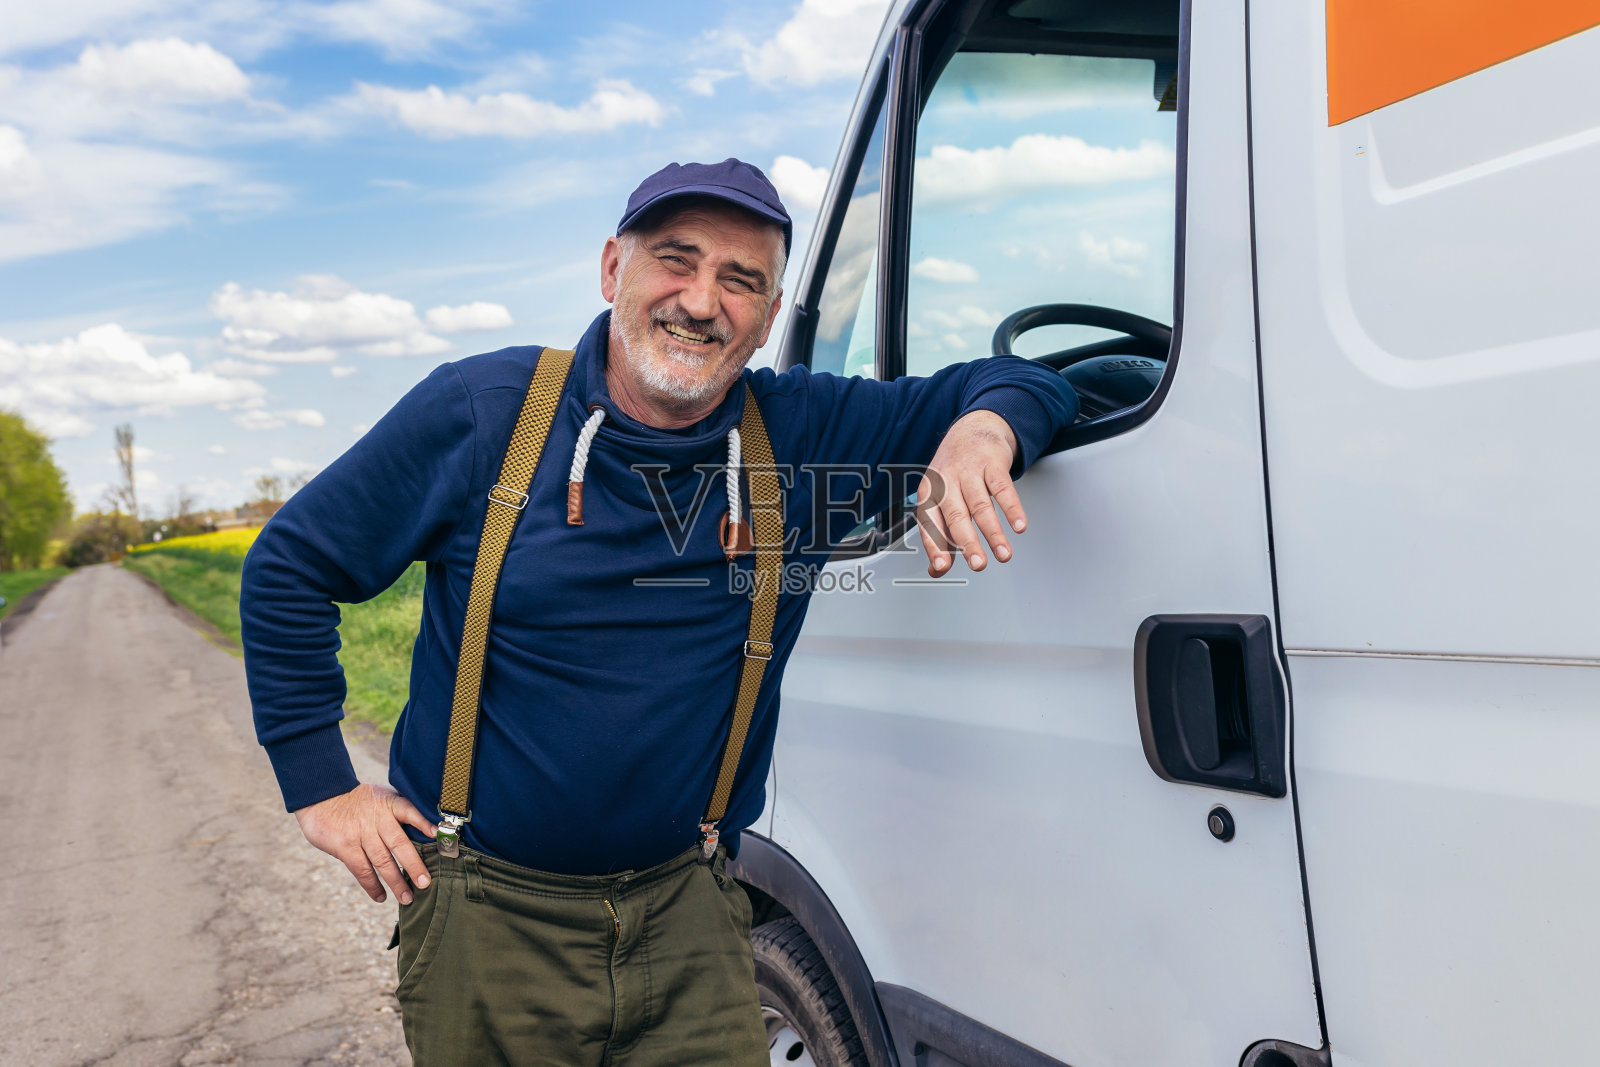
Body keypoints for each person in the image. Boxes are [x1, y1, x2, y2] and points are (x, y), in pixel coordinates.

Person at [240, 158, 1078, 1065]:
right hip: (489, 920)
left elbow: (1029, 380)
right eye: (676, 260)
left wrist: (982, 430)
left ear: (768, 317)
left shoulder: (801, 430)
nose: (702, 300)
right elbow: (291, 565)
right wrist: (321, 785)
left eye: (741, 280)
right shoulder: (487, 413)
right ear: (614, 269)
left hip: (691, 911)